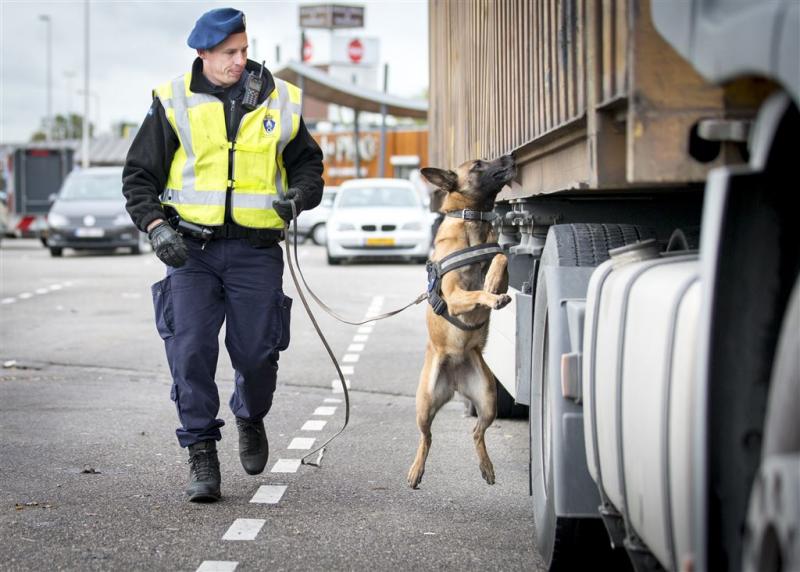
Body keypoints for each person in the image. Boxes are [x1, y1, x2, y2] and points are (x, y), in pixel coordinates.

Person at [122, 7, 324, 502]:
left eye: (244, 50)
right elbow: (138, 178)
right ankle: (201, 452)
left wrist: (297, 197)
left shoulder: (282, 100)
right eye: (229, 53)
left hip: (256, 252)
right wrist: (154, 228)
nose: (240, 61)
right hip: (189, 252)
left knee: (257, 353)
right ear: (203, 54)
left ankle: (250, 415)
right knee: (189, 351)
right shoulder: (172, 101)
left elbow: (309, 170)